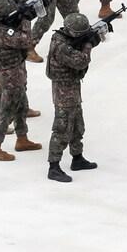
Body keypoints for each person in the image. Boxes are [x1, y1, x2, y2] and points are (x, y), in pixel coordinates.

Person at [0, 0, 43, 161]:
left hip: (12, 72)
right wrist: (25, 21)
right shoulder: (2, 32)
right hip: (11, 75)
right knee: (7, 110)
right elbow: (25, 41)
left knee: (21, 106)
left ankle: (22, 139)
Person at [47, 13, 102, 182]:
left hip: (72, 86)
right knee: (62, 127)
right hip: (64, 88)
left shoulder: (66, 38)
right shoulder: (60, 44)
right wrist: (89, 44)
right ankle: (54, 166)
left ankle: (77, 158)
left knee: (77, 124)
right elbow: (81, 61)